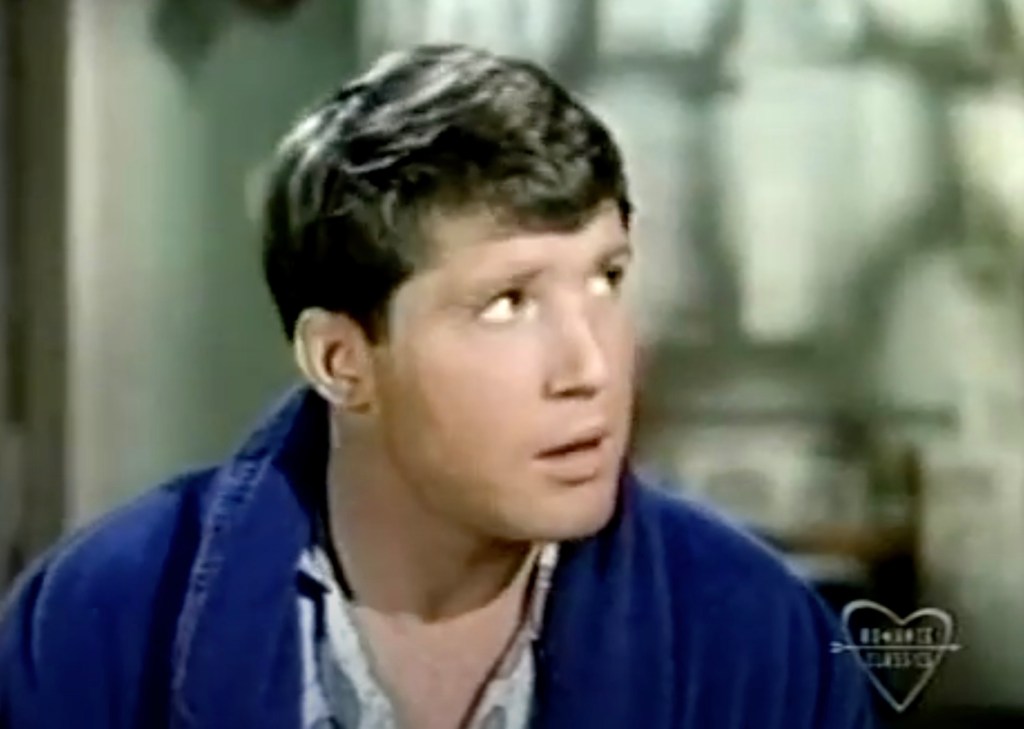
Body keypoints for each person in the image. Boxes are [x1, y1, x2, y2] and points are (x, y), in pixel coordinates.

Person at [0, 44, 876, 729]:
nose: (593, 367)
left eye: (606, 278)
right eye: (508, 302)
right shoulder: (104, 620)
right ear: (342, 361)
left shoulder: (760, 636)